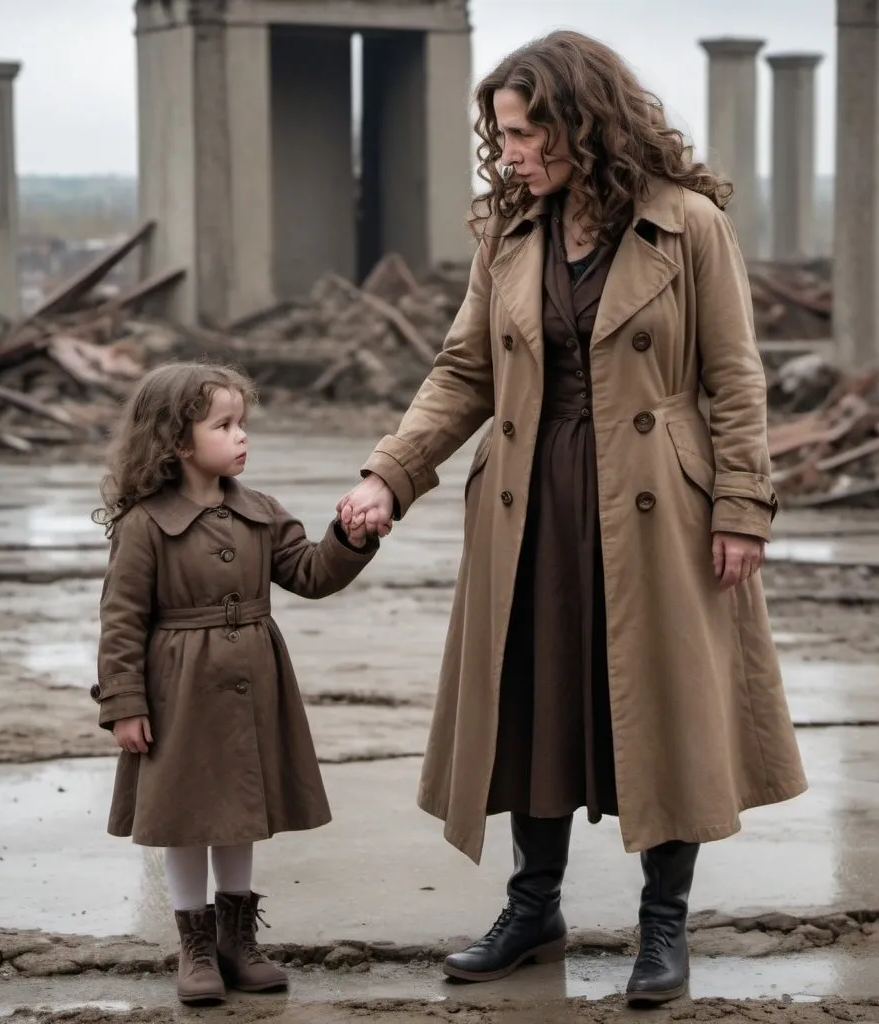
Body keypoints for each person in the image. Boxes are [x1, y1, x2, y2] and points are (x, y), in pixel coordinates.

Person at [338, 30, 807, 1005]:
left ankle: (662, 926)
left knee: (664, 707)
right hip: (529, 498)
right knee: (535, 696)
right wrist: (391, 473)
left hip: (660, 505)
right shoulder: (508, 233)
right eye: (500, 134)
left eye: (520, 132)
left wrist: (741, 505)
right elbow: (465, 370)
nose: (506, 152)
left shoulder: (688, 226)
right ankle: (532, 907)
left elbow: (733, 375)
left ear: (576, 125)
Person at [91, 362, 376, 1006]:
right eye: (225, 425)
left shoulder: (260, 512)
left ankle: (237, 941)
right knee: (186, 816)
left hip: (253, 682)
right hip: (177, 693)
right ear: (176, 441)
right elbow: (121, 621)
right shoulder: (144, 525)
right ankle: (194, 946)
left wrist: (350, 539)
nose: (242, 436)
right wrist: (124, 705)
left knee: (240, 810)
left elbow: (309, 572)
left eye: (243, 423)